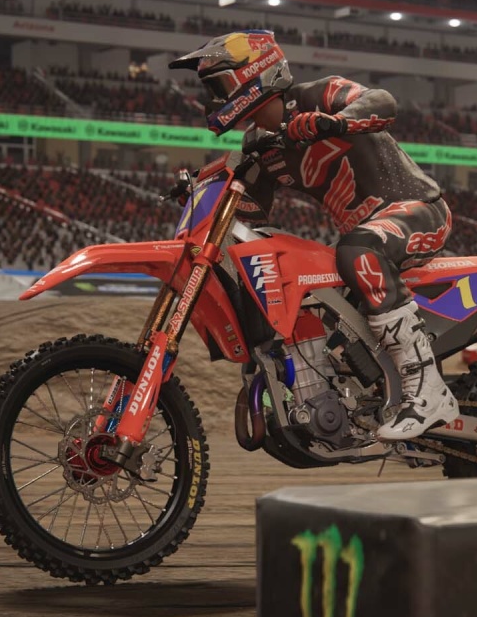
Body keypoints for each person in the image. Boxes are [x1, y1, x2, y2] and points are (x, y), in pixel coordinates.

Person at [169, 29, 458, 441]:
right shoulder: (260, 144)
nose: (214, 98)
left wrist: (333, 122)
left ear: (254, 73)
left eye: (219, 86)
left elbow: (382, 103)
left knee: (357, 250)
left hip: (416, 210)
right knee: (307, 291)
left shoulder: (319, 95)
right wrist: (202, 193)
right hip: (361, 232)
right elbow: (251, 211)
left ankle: (428, 389)